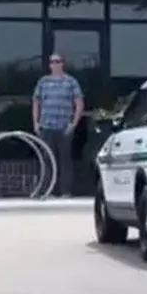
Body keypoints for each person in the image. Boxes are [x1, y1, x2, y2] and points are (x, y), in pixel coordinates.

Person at [31, 52, 83, 197]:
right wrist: (35, 123)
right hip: (46, 126)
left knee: (65, 160)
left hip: (64, 127)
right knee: (47, 160)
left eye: (58, 61)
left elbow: (79, 104)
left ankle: (65, 191)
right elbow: (36, 103)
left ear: (63, 64)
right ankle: (48, 191)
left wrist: (73, 124)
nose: (55, 64)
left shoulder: (71, 82)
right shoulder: (43, 82)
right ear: (49, 65)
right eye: (53, 62)